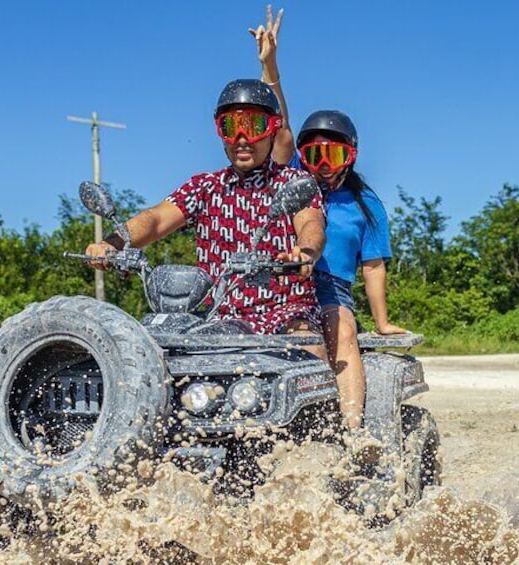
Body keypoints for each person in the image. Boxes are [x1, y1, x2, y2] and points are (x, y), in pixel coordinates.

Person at [85, 79, 327, 354]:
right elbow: (155, 219)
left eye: (254, 126)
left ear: (273, 128)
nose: (242, 139)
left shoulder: (293, 181)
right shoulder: (204, 187)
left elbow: (311, 222)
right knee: (152, 352)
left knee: (309, 349)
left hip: (285, 314)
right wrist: (113, 243)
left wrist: (305, 253)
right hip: (217, 319)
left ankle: (327, 400)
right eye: (230, 127)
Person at [251, 7, 407, 431]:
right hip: (279, 279)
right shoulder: (291, 182)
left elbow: (373, 265)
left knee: (342, 331)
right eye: (313, 154)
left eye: (333, 154)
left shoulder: (364, 203)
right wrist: (270, 67)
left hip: (332, 288)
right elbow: (278, 130)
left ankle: (351, 429)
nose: (321, 165)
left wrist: (382, 321)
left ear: (350, 156)